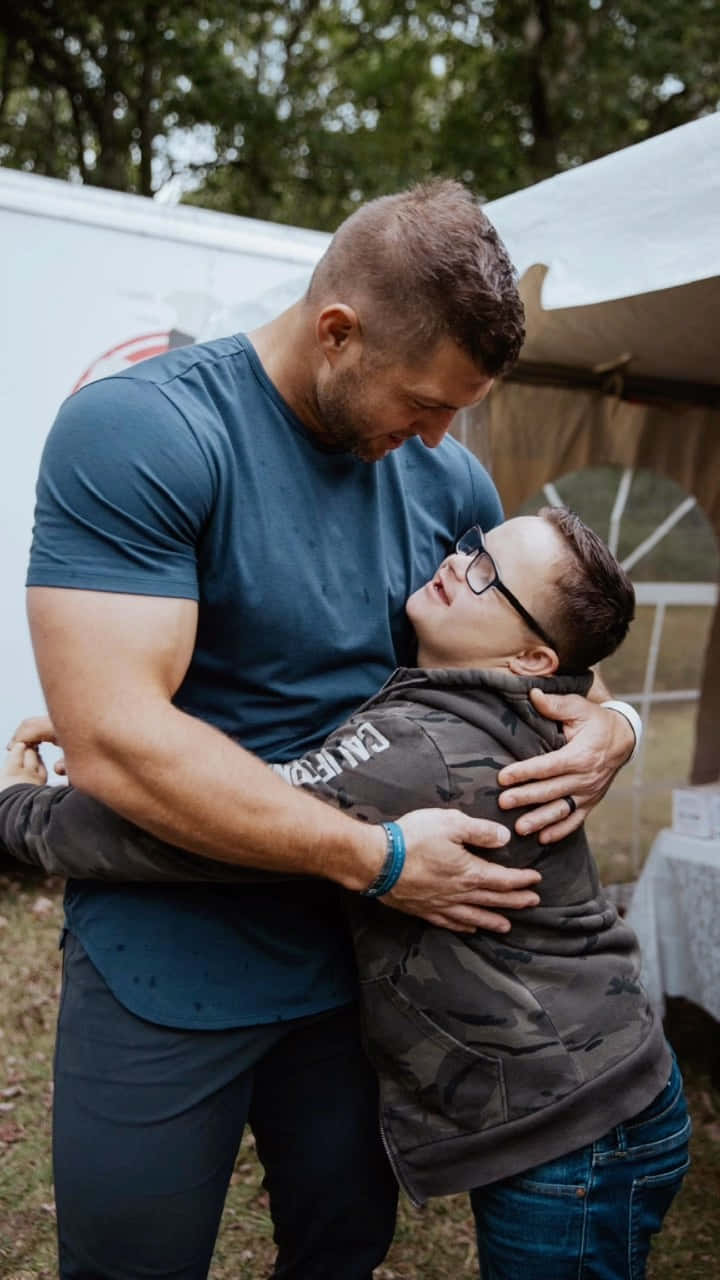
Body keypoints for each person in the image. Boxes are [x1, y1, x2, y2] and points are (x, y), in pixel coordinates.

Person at [19, 179, 638, 1279]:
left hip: (362, 972)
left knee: (341, 1246)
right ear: (338, 332)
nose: (443, 436)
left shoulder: (442, 470)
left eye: (463, 409)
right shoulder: (146, 430)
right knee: (130, 1261)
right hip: (170, 955)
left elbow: (513, 658)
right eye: (426, 401)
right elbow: (115, 740)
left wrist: (613, 719)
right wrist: (379, 853)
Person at [2, 508, 686, 1279]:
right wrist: (618, 719)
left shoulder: (418, 750)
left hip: (576, 1127)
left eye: (487, 577)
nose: (458, 564)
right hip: (598, 1092)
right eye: (471, 549)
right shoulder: (511, 707)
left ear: (530, 656)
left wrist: (18, 813)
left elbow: (213, 825)